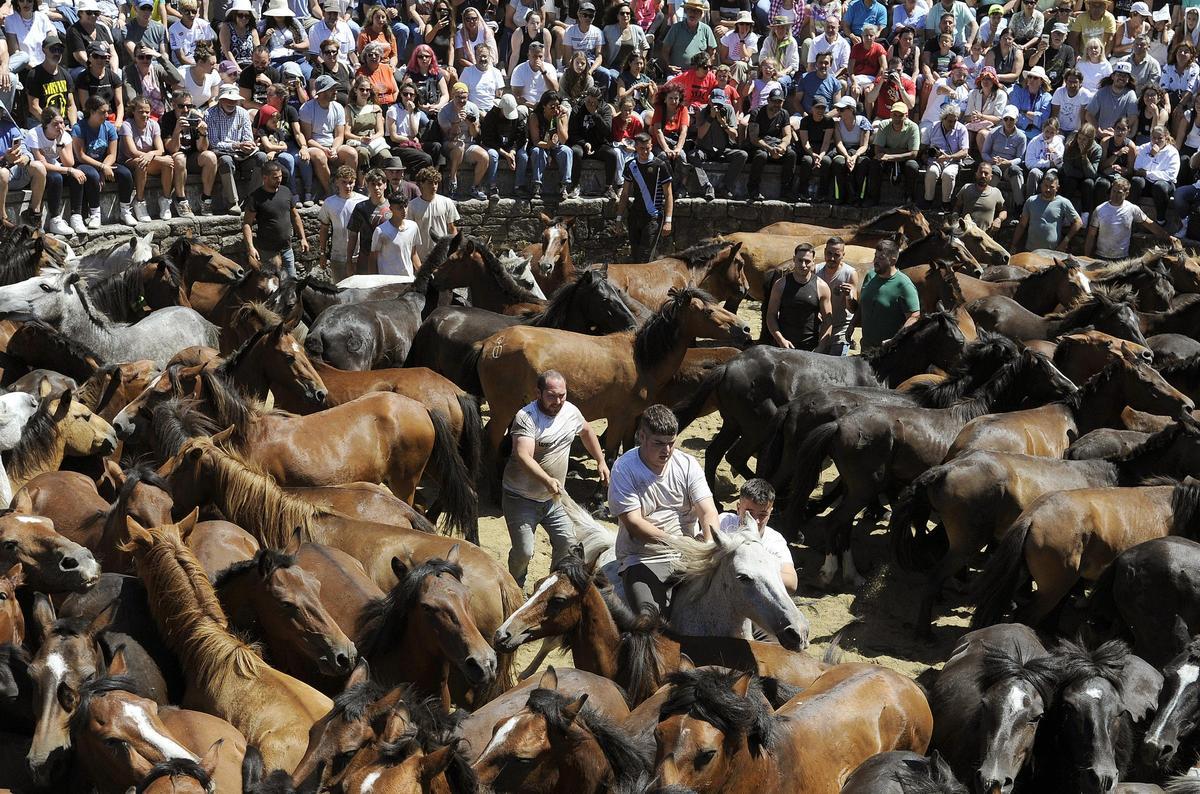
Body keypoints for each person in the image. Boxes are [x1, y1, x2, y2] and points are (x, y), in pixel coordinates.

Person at [503, 370, 609, 587]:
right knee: (524, 551)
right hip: (521, 497)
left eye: (562, 395)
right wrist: (547, 480)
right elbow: (523, 456)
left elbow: (587, 431)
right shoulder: (527, 417)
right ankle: (515, 585)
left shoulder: (571, 411)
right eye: (551, 395)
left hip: (555, 498)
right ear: (538, 393)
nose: (558, 401)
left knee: (567, 543)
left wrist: (600, 460)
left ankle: (551, 586)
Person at [609, 404, 718, 613]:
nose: (666, 450)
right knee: (649, 618)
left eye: (671, 443)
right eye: (658, 443)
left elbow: (708, 511)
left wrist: (709, 541)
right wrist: (677, 543)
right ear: (641, 436)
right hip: (643, 556)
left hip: (690, 554)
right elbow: (634, 523)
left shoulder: (688, 464)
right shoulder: (624, 468)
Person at [716, 479, 797, 594]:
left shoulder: (774, 540)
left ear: (770, 512)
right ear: (738, 508)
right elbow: (700, 545)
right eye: (749, 513)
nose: (754, 521)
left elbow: (791, 582)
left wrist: (754, 570)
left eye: (763, 515)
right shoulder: (724, 522)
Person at [72, 95, 135, 229]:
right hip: (84, 164)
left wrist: (104, 167)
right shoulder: (79, 128)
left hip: (105, 162)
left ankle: (125, 210)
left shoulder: (109, 127)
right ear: (92, 112)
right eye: (102, 112)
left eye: (107, 111)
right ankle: (95, 214)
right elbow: (81, 155)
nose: (106, 115)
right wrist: (101, 168)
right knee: (93, 176)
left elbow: (112, 154)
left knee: (125, 174)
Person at [204, 82, 266, 214]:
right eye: (228, 99)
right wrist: (236, 145)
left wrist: (249, 145)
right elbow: (214, 143)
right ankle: (233, 202)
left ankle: (253, 199)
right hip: (223, 153)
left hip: (243, 153)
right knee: (226, 160)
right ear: (220, 99)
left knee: (262, 157)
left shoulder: (243, 113)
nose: (231, 102)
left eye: (234, 100)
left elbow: (247, 137)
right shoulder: (210, 114)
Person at [849, 238, 919, 350]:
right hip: (866, 348)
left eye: (881, 258)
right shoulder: (870, 276)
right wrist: (852, 324)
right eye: (875, 256)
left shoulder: (904, 285)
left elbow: (914, 317)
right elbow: (863, 305)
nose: (875, 261)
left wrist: (895, 339)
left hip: (889, 351)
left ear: (893, 260)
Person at [243, 158, 307, 276]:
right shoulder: (255, 197)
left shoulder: (286, 191)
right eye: (275, 177)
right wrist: (250, 247)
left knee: (291, 281)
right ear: (265, 178)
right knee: (271, 285)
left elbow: (295, 216)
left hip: (287, 248)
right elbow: (247, 223)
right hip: (267, 251)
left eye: (280, 176)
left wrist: (302, 238)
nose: (279, 180)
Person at [615, 131, 672, 262]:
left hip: (653, 217)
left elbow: (668, 195)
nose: (645, 152)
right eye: (641, 149)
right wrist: (618, 218)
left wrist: (668, 221)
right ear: (636, 148)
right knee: (635, 257)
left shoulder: (660, 166)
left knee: (645, 259)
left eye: (648, 148)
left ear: (651, 146)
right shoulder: (631, 165)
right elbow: (624, 194)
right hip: (635, 216)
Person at [765, 242, 832, 352]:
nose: (803, 265)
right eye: (800, 260)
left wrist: (821, 346)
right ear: (794, 259)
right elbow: (771, 316)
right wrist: (780, 340)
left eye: (807, 261)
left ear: (813, 262)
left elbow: (828, 320)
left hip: (811, 348)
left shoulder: (822, 287)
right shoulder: (780, 285)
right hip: (783, 347)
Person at [1084, 175, 1170, 258]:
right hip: (1101, 256)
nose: (1115, 195)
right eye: (1113, 191)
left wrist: (1168, 237)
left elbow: (1150, 224)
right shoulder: (1099, 210)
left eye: (1119, 193)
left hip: (1121, 259)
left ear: (1127, 193)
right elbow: (1091, 235)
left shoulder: (1132, 209)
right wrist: (1087, 257)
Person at [26, 108, 82, 235]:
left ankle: (76, 216)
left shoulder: (64, 137)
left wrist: (59, 144)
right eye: (55, 124)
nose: (60, 127)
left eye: (61, 122)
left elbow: (69, 163)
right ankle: (55, 219)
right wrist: (69, 170)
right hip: (36, 172)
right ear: (46, 125)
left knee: (78, 175)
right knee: (57, 177)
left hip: (55, 167)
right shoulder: (34, 134)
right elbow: (43, 164)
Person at [299, 73, 356, 197]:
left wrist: (334, 149)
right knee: (320, 156)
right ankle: (330, 191)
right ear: (322, 92)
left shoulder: (338, 107)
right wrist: (324, 149)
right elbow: (308, 138)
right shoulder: (307, 109)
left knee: (352, 153)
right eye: (331, 89)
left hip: (333, 144)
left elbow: (339, 136)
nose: (335, 91)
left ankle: (350, 188)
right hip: (315, 145)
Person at [438, 80, 487, 199]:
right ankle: (452, 180)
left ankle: (474, 187)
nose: (462, 101)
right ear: (453, 96)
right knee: (459, 146)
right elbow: (448, 135)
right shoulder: (444, 111)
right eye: (459, 97)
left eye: (464, 97)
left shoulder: (473, 107)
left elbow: (475, 135)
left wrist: (471, 124)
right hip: (450, 144)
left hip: (468, 143)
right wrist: (457, 122)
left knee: (484, 156)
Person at [746, 87, 795, 202]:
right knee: (761, 156)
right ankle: (753, 189)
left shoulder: (784, 113)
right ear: (768, 100)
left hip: (776, 145)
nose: (777, 104)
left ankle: (786, 190)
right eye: (774, 101)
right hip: (760, 145)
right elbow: (754, 138)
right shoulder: (756, 113)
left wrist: (782, 146)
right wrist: (769, 149)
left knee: (791, 154)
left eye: (779, 102)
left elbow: (787, 135)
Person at [867, 101, 921, 205]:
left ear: (906, 116)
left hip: (902, 160)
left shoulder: (913, 127)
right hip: (894, 157)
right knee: (875, 163)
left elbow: (914, 154)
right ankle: (873, 198)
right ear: (890, 114)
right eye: (894, 114)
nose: (897, 117)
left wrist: (889, 156)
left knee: (912, 166)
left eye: (900, 115)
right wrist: (904, 151)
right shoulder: (883, 125)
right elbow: (877, 150)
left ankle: (909, 198)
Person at [1013, 171, 1082, 251]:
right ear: (1041, 186)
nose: (1048, 189)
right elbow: (1022, 225)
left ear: (1057, 188)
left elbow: (1078, 222)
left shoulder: (1063, 202)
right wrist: (1013, 245)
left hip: (1052, 253)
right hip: (1031, 251)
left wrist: (1065, 241)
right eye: (1046, 186)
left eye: (1052, 187)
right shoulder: (1031, 201)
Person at [317, 164, 364, 279]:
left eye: (351, 182)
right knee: (339, 290)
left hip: (359, 256)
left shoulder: (363, 201)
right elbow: (324, 228)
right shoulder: (329, 203)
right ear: (337, 182)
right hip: (337, 256)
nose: (348, 186)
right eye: (344, 182)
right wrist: (322, 253)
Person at [982, 105, 1027, 218]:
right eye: (1006, 118)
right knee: (994, 171)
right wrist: (991, 160)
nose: (1008, 122)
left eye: (1011, 119)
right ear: (1002, 119)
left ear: (1016, 119)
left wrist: (1009, 162)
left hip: (1008, 168)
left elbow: (1020, 158)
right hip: (995, 165)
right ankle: (988, 203)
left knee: (1015, 171)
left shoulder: (1021, 136)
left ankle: (1019, 206)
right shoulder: (993, 133)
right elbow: (984, 153)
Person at [480, 93, 527, 199]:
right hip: (494, 146)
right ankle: (492, 187)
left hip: (511, 147)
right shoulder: (491, 117)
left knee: (523, 156)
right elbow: (488, 139)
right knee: (492, 155)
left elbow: (521, 138)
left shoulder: (518, 117)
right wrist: (505, 154)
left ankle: (519, 186)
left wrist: (513, 151)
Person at [815, 236, 858, 355]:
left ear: (843, 255)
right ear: (824, 252)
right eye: (829, 254)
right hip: (819, 328)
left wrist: (849, 295)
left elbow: (852, 309)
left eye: (837, 255)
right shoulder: (816, 271)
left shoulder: (850, 274)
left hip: (840, 330)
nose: (832, 258)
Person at [1130, 124, 1180, 223]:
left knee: (1159, 186)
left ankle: (1160, 219)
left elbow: (1170, 175)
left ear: (1166, 138)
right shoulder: (1145, 148)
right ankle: (1130, 214)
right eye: (1154, 138)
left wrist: (1147, 173)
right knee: (1136, 181)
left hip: (1165, 184)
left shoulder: (1172, 152)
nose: (1156, 141)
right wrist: (1151, 155)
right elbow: (1137, 167)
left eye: (1160, 138)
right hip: (1147, 183)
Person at [408, 165, 459, 262]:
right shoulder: (412, 206)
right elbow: (409, 234)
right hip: (420, 257)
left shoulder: (447, 202)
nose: (434, 186)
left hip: (442, 256)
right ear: (422, 184)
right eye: (430, 183)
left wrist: (454, 250)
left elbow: (452, 228)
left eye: (436, 183)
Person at [924, 103, 969, 210]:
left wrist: (949, 157)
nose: (952, 124)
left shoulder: (961, 129)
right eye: (950, 121)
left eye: (955, 121)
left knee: (948, 174)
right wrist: (927, 155)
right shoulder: (933, 127)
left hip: (953, 160)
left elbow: (964, 152)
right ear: (943, 119)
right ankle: (928, 201)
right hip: (935, 160)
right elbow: (924, 146)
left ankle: (946, 203)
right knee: (932, 172)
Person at [0, 104, 39, 225]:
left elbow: (24, 148)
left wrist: (26, 158)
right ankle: (2, 217)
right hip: (2, 175)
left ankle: (34, 213)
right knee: (3, 173)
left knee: (39, 167)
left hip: (16, 172)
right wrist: (4, 159)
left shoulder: (10, 127)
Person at [26, 32, 76, 123]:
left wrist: (74, 127)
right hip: (41, 121)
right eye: (53, 49)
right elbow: (34, 107)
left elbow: (71, 105)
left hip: (62, 122)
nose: (57, 53)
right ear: (44, 50)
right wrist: (53, 124)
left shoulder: (65, 74)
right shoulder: (34, 74)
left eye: (60, 50)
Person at [367, 191, 420, 278]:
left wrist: (421, 273)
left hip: (408, 279)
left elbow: (413, 253)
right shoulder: (381, 231)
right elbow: (373, 259)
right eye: (399, 208)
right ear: (391, 208)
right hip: (388, 281)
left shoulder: (413, 226)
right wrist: (373, 281)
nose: (404, 211)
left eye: (405, 207)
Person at [831, 94, 872, 203]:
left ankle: (858, 197)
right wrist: (847, 156)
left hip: (858, 151)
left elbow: (864, 145)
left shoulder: (863, 121)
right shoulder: (837, 123)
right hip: (843, 151)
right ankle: (840, 196)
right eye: (838, 109)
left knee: (861, 165)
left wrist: (854, 156)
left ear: (851, 109)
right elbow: (839, 143)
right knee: (839, 164)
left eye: (842, 109)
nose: (838, 111)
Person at [346, 167, 388, 271]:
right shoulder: (360, 208)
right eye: (373, 184)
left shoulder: (393, 206)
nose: (376, 188)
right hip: (366, 256)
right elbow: (353, 235)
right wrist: (349, 260)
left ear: (385, 185)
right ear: (367, 186)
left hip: (388, 257)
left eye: (379, 184)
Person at [660, 0, 717, 76]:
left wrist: (707, 68)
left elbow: (712, 52)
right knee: (672, 84)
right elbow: (665, 50)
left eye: (696, 11)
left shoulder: (706, 29)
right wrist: (668, 66)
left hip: (699, 73)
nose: (692, 13)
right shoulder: (676, 28)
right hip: (678, 73)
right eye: (690, 10)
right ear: (686, 11)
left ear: (701, 14)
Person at [1060, 121, 1102, 222]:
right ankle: (1065, 215)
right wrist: (1083, 174)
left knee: (1089, 183)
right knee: (1070, 181)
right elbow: (1068, 170)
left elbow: (1092, 174)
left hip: (1085, 179)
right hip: (1072, 176)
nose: (1080, 141)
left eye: (1084, 140)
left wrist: (1084, 157)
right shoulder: (1070, 145)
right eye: (1079, 138)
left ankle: (1085, 216)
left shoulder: (1097, 149)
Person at [74, 41, 123, 127]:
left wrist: (118, 123)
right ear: (89, 58)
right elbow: (86, 107)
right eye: (96, 56)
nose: (100, 60)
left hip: (111, 118)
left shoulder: (113, 77)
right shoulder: (83, 78)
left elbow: (119, 104)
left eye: (103, 57)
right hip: (92, 119)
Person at [1085, 61, 1138, 141]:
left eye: (1125, 76)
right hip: (1100, 135)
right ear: (1113, 76)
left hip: (1120, 138)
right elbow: (1089, 114)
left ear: (1128, 80)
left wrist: (1117, 132)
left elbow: (1133, 117)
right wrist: (1099, 131)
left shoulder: (1130, 94)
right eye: (1119, 75)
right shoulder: (1102, 92)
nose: (1121, 78)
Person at [795, 95, 834, 200]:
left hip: (823, 148)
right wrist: (812, 154)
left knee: (826, 161)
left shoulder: (829, 121)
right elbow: (805, 142)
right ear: (812, 108)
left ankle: (823, 193)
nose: (820, 110)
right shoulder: (805, 121)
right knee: (806, 161)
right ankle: (802, 191)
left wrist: (820, 156)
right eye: (818, 107)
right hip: (809, 148)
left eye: (823, 108)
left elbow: (826, 142)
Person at [955, 160, 1006, 229]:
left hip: (984, 237)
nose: (983, 175)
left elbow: (1003, 211)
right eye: (981, 172)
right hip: (966, 235)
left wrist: (999, 220)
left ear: (991, 177)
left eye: (986, 173)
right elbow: (957, 207)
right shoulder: (966, 188)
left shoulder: (996, 193)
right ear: (976, 174)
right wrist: (955, 216)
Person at [1024, 114, 1064, 198]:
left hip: (1052, 169)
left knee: (1051, 175)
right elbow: (1029, 162)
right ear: (1043, 129)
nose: (1048, 134)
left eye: (1052, 132)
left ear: (1057, 132)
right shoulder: (1034, 141)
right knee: (1034, 173)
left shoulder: (1059, 142)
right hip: (1038, 168)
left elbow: (1060, 164)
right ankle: (1029, 201)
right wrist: (1048, 163)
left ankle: (1048, 201)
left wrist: (1055, 153)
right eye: (1047, 131)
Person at [510, 40, 559, 108]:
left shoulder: (550, 68)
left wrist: (544, 72)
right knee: (521, 110)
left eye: (540, 57)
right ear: (529, 56)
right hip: (526, 105)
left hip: (546, 106)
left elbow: (555, 89)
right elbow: (517, 96)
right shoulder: (519, 70)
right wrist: (532, 105)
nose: (537, 59)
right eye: (534, 56)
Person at [168, 0, 216, 66]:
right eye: (187, 12)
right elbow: (181, 58)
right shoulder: (173, 29)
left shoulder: (204, 24)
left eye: (194, 11)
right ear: (180, 11)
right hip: (183, 65)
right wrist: (196, 66)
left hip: (202, 63)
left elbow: (209, 47)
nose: (191, 15)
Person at [1050, 67, 1091, 134]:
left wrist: (1080, 134)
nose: (1072, 85)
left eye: (1075, 82)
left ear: (1080, 82)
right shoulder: (1059, 92)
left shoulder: (1085, 95)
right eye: (1070, 81)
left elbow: (1083, 119)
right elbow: (1054, 115)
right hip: (1059, 129)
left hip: (1076, 131)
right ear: (1066, 81)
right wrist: (1056, 130)